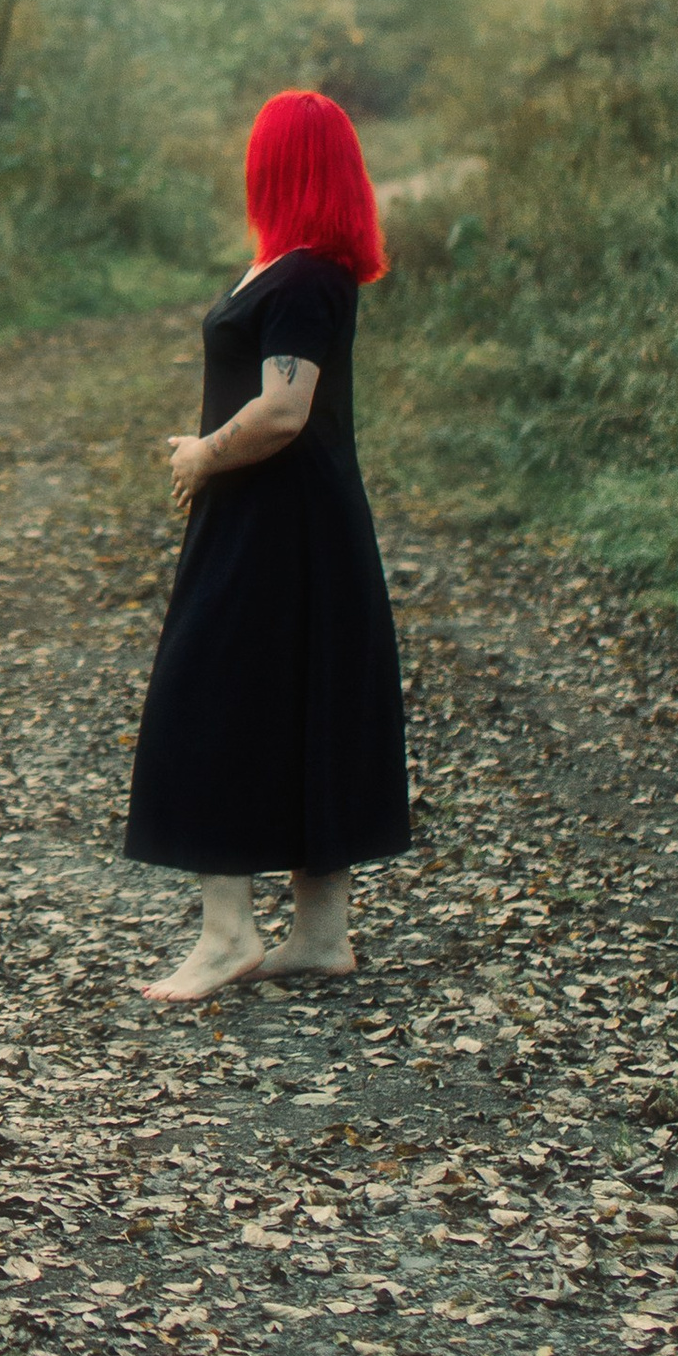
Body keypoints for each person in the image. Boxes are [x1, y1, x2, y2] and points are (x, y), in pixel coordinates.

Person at [125, 87, 410, 1004]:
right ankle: (323, 937)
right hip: (272, 520)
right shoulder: (284, 268)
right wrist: (208, 453)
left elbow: (284, 410)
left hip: (280, 524)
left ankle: (227, 934)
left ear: (276, 163)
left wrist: (204, 453)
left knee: (205, 693)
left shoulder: (309, 276)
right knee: (293, 697)